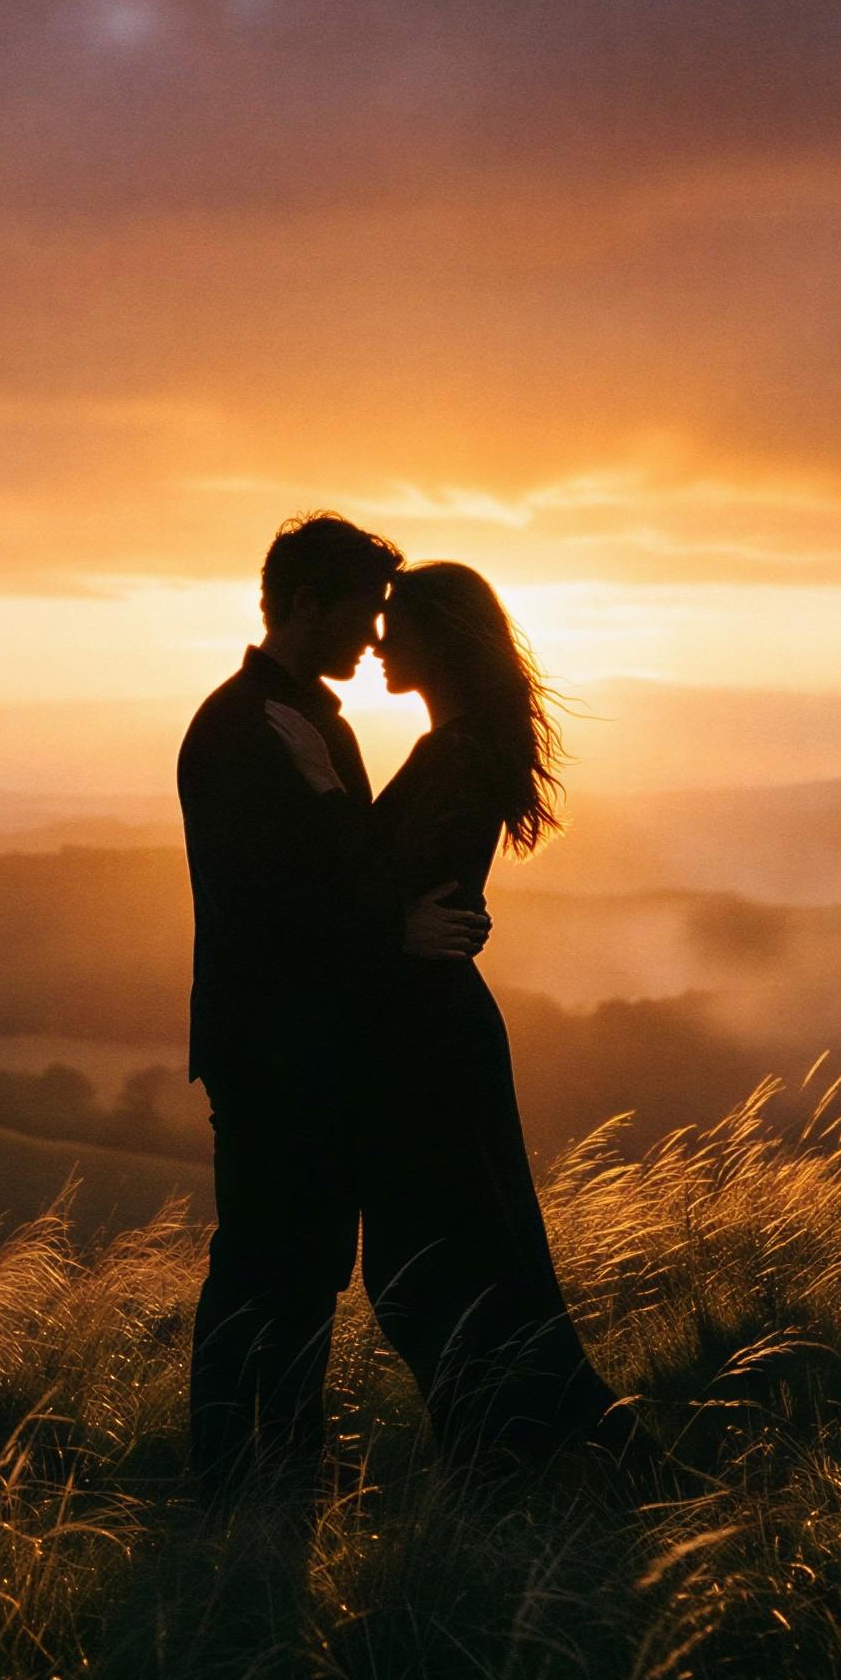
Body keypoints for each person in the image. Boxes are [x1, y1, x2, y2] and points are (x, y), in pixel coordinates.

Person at [267, 561, 646, 1472]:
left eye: (397, 624)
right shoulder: (460, 746)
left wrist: (316, 779)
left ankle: (534, 1464)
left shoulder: (458, 754)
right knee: (460, 1264)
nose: (380, 642)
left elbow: (384, 881)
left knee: (435, 1272)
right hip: (428, 1031)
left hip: (429, 1040)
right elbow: (399, 894)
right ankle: (535, 1461)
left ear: (437, 639)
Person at [176, 514, 490, 1505]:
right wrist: (395, 935)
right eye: (361, 614)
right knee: (264, 1259)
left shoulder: (308, 719)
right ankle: (233, 1471)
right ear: (303, 603)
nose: (372, 636)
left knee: (305, 1264)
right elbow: (266, 898)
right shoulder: (241, 727)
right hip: (270, 1050)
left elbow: (341, 869)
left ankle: (283, 1459)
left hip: (308, 1046)